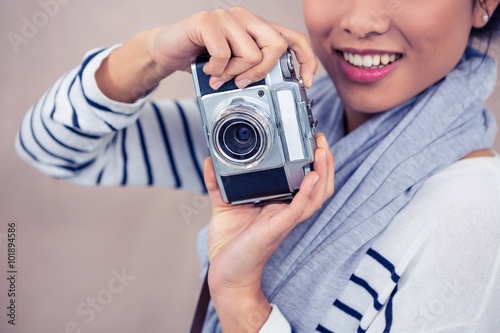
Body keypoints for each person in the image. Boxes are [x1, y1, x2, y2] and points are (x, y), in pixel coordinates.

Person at [15, 0, 500, 332]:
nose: (362, 20)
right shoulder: (278, 124)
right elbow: (50, 148)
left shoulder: (473, 215)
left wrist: (243, 302)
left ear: (483, 3)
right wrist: (151, 52)